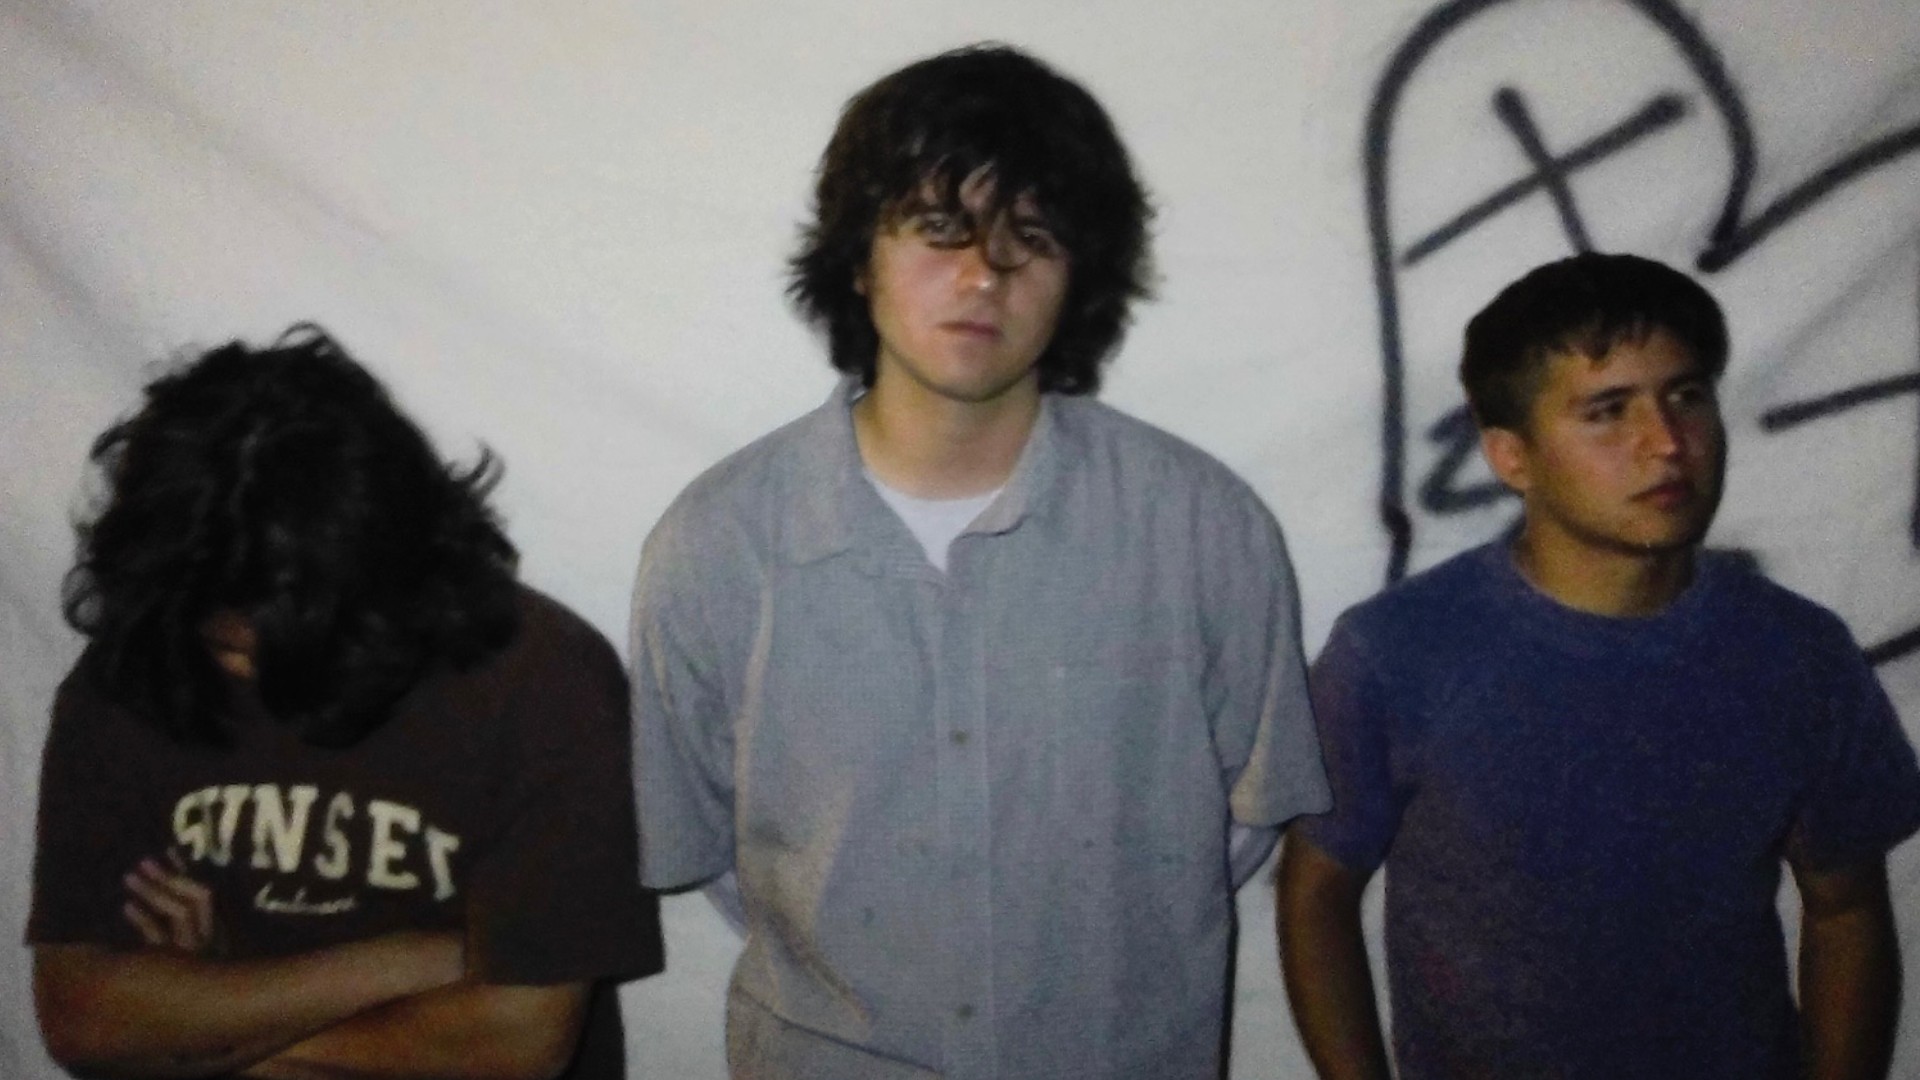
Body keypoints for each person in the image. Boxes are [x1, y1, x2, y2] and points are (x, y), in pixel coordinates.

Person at [630, 43, 1330, 1079]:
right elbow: (717, 854)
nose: (981, 276)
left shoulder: (1203, 529)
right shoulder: (717, 542)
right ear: (858, 259)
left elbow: (1240, 824)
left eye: (1030, 240)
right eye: (937, 230)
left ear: (1078, 276)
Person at [1279, 251, 1920, 1079]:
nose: (1666, 444)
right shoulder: (1397, 652)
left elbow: (1847, 910)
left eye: (1686, 397)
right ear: (1511, 456)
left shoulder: (1798, 652)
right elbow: (1316, 894)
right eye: (1608, 412)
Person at [29, 327, 662, 1080]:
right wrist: (405, 963)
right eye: (222, 645)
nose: (245, 676)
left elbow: (516, 1045)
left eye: (283, 644)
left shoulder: (543, 682)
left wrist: (204, 1025)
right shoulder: (140, 663)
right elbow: (82, 1018)